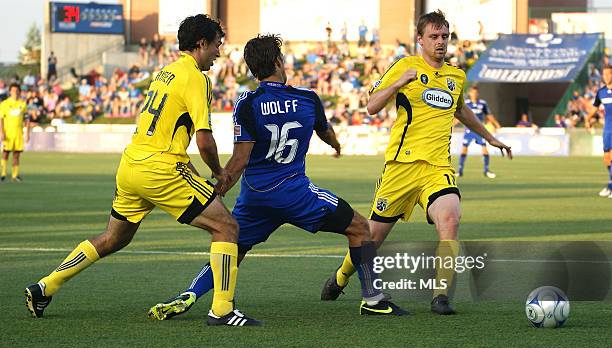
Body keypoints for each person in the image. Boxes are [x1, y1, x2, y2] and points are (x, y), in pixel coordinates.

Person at [147, 34, 406, 321]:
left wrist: (219, 186)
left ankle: (192, 292)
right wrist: (335, 145)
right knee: (359, 228)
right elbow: (325, 130)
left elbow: (240, 159)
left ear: (252, 69)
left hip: (256, 197)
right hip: (296, 194)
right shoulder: (307, 98)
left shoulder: (247, 102)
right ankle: (373, 299)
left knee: (231, 245)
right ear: (279, 61)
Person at [24, 14, 260, 326]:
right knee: (227, 227)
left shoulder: (165, 74)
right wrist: (218, 171)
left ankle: (45, 286)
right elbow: (204, 139)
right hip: (161, 170)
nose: (219, 52)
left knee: (113, 238)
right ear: (201, 44)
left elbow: (166, 129)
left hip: (131, 165)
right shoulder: (197, 78)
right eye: (217, 45)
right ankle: (222, 309)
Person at [320, 10, 512, 315]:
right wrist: (397, 83)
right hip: (401, 167)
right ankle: (341, 277)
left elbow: (462, 111)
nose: (440, 42)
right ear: (419, 39)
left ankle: (440, 295)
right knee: (372, 237)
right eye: (433, 36)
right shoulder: (405, 66)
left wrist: (490, 138)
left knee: (450, 218)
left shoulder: (456, 76)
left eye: (444, 36)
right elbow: (371, 106)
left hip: (437, 168)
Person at [458, 85, 501, 178]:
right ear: (469, 93)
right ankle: (460, 170)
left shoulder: (482, 103)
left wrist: (496, 125)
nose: (474, 94)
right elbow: (459, 115)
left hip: (479, 130)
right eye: (472, 92)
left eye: (476, 93)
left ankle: (486, 170)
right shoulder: (466, 103)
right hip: (469, 130)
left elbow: (489, 115)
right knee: (464, 149)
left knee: (485, 149)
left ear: (478, 94)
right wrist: (451, 124)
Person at [586, 65, 612, 197]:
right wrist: (587, 119)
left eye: (609, 74)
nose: (607, 76)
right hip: (607, 129)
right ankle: (610, 184)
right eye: (605, 74)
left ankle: (610, 186)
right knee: (607, 159)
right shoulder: (601, 92)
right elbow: (594, 108)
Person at [0, 84, 30, 182]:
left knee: (17, 155)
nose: (15, 92)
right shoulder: (4, 104)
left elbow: (27, 119)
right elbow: (1, 119)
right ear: (10, 92)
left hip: (18, 133)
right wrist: (1, 132)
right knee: (5, 153)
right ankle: (3, 174)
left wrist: (27, 133)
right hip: (8, 133)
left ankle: (15, 175)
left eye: (17, 90)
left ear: (19, 92)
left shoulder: (23, 104)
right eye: (13, 91)